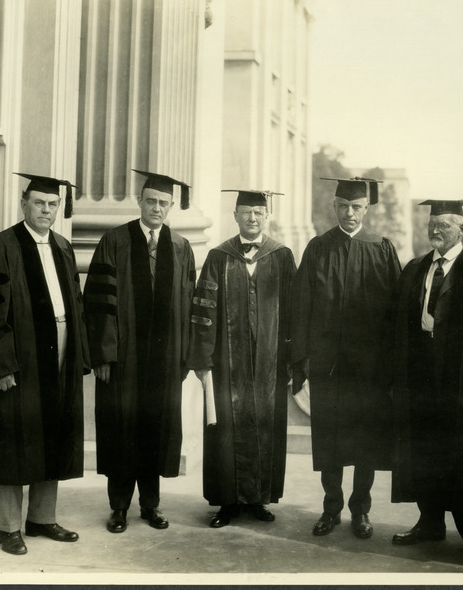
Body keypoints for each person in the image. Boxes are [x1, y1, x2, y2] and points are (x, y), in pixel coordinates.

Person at [0, 173, 90, 555]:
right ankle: (9, 527)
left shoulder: (63, 247)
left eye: (52, 205)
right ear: (24, 203)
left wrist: (79, 353)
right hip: (21, 357)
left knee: (55, 430)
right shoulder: (1, 247)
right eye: (38, 204)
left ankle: (42, 518)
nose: (46, 211)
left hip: (62, 351)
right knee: (14, 437)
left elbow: (76, 307)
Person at [389, 199, 463, 567]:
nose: (436, 230)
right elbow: (399, 327)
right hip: (422, 372)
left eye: (444, 224)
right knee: (423, 450)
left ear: (462, 227)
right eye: (432, 223)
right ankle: (430, 523)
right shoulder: (416, 267)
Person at [83, 170, 195, 534]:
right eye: (151, 201)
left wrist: (183, 355)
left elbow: (189, 306)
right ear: (140, 201)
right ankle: (118, 508)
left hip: (163, 361)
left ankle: (150, 506)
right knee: (122, 429)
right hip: (123, 360)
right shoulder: (114, 241)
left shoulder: (180, 247)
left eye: (164, 203)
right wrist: (102, 354)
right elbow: (98, 303)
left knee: (155, 430)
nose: (157, 208)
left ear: (171, 206)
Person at [290, 176, 401, 539]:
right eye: (343, 206)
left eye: (356, 207)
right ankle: (330, 508)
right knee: (330, 439)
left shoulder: (382, 248)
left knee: (366, 440)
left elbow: (396, 313)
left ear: (366, 209)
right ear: (334, 207)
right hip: (328, 365)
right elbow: (301, 306)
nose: (350, 213)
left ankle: (361, 510)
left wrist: (389, 364)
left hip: (369, 368)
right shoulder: (318, 247)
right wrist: (301, 360)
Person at [187, 190, 296, 528]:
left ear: (268, 216)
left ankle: (259, 499)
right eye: (246, 212)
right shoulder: (220, 256)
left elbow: (293, 312)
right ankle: (228, 502)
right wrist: (203, 359)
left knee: (265, 424)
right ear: (234, 215)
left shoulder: (281, 255)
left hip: (270, 362)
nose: (252, 218)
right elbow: (203, 310)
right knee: (226, 429)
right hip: (226, 363)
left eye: (259, 212)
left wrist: (291, 360)